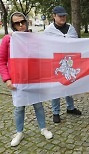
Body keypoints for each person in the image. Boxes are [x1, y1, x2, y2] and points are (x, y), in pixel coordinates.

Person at [0, 12, 53, 147]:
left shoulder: (34, 38)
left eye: (22, 21)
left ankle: (43, 128)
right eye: (17, 23)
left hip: (34, 79)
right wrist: (7, 79)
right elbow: (2, 60)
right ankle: (19, 132)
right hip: (17, 80)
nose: (21, 25)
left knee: (38, 105)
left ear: (26, 21)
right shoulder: (8, 39)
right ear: (13, 25)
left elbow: (43, 56)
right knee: (19, 107)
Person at [44, 6, 81, 123]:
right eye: (60, 16)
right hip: (55, 63)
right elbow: (44, 47)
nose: (63, 18)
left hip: (69, 62)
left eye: (64, 15)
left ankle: (70, 107)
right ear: (54, 16)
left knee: (69, 84)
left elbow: (77, 44)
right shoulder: (48, 31)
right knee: (56, 87)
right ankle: (56, 112)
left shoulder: (71, 29)